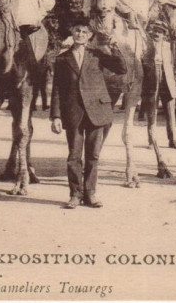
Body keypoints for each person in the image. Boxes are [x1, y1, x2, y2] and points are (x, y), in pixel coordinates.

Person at [50, 14, 127, 209]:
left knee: (93, 155)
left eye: (84, 32)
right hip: (73, 112)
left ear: (89, 35)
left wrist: (115, 47)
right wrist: (56, 116)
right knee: (74, 156)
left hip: (97, 110)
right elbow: (57, 89)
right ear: (72, 32)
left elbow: (122, 68)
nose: (80, 34)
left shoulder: (98, 55)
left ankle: (90, 194)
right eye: (77, 31)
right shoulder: (62, 59)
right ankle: (75, 195)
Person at [143, 21, 176, 149]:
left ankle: (172, 139)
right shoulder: (147, 45)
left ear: (164, 34)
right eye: (155, 31)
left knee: (170, 112)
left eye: (160, 31)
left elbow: (174, 66)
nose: (156, 33)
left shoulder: (169, 46)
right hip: (152, 81)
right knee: (152, 112)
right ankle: (152, 141)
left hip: (167, 81)